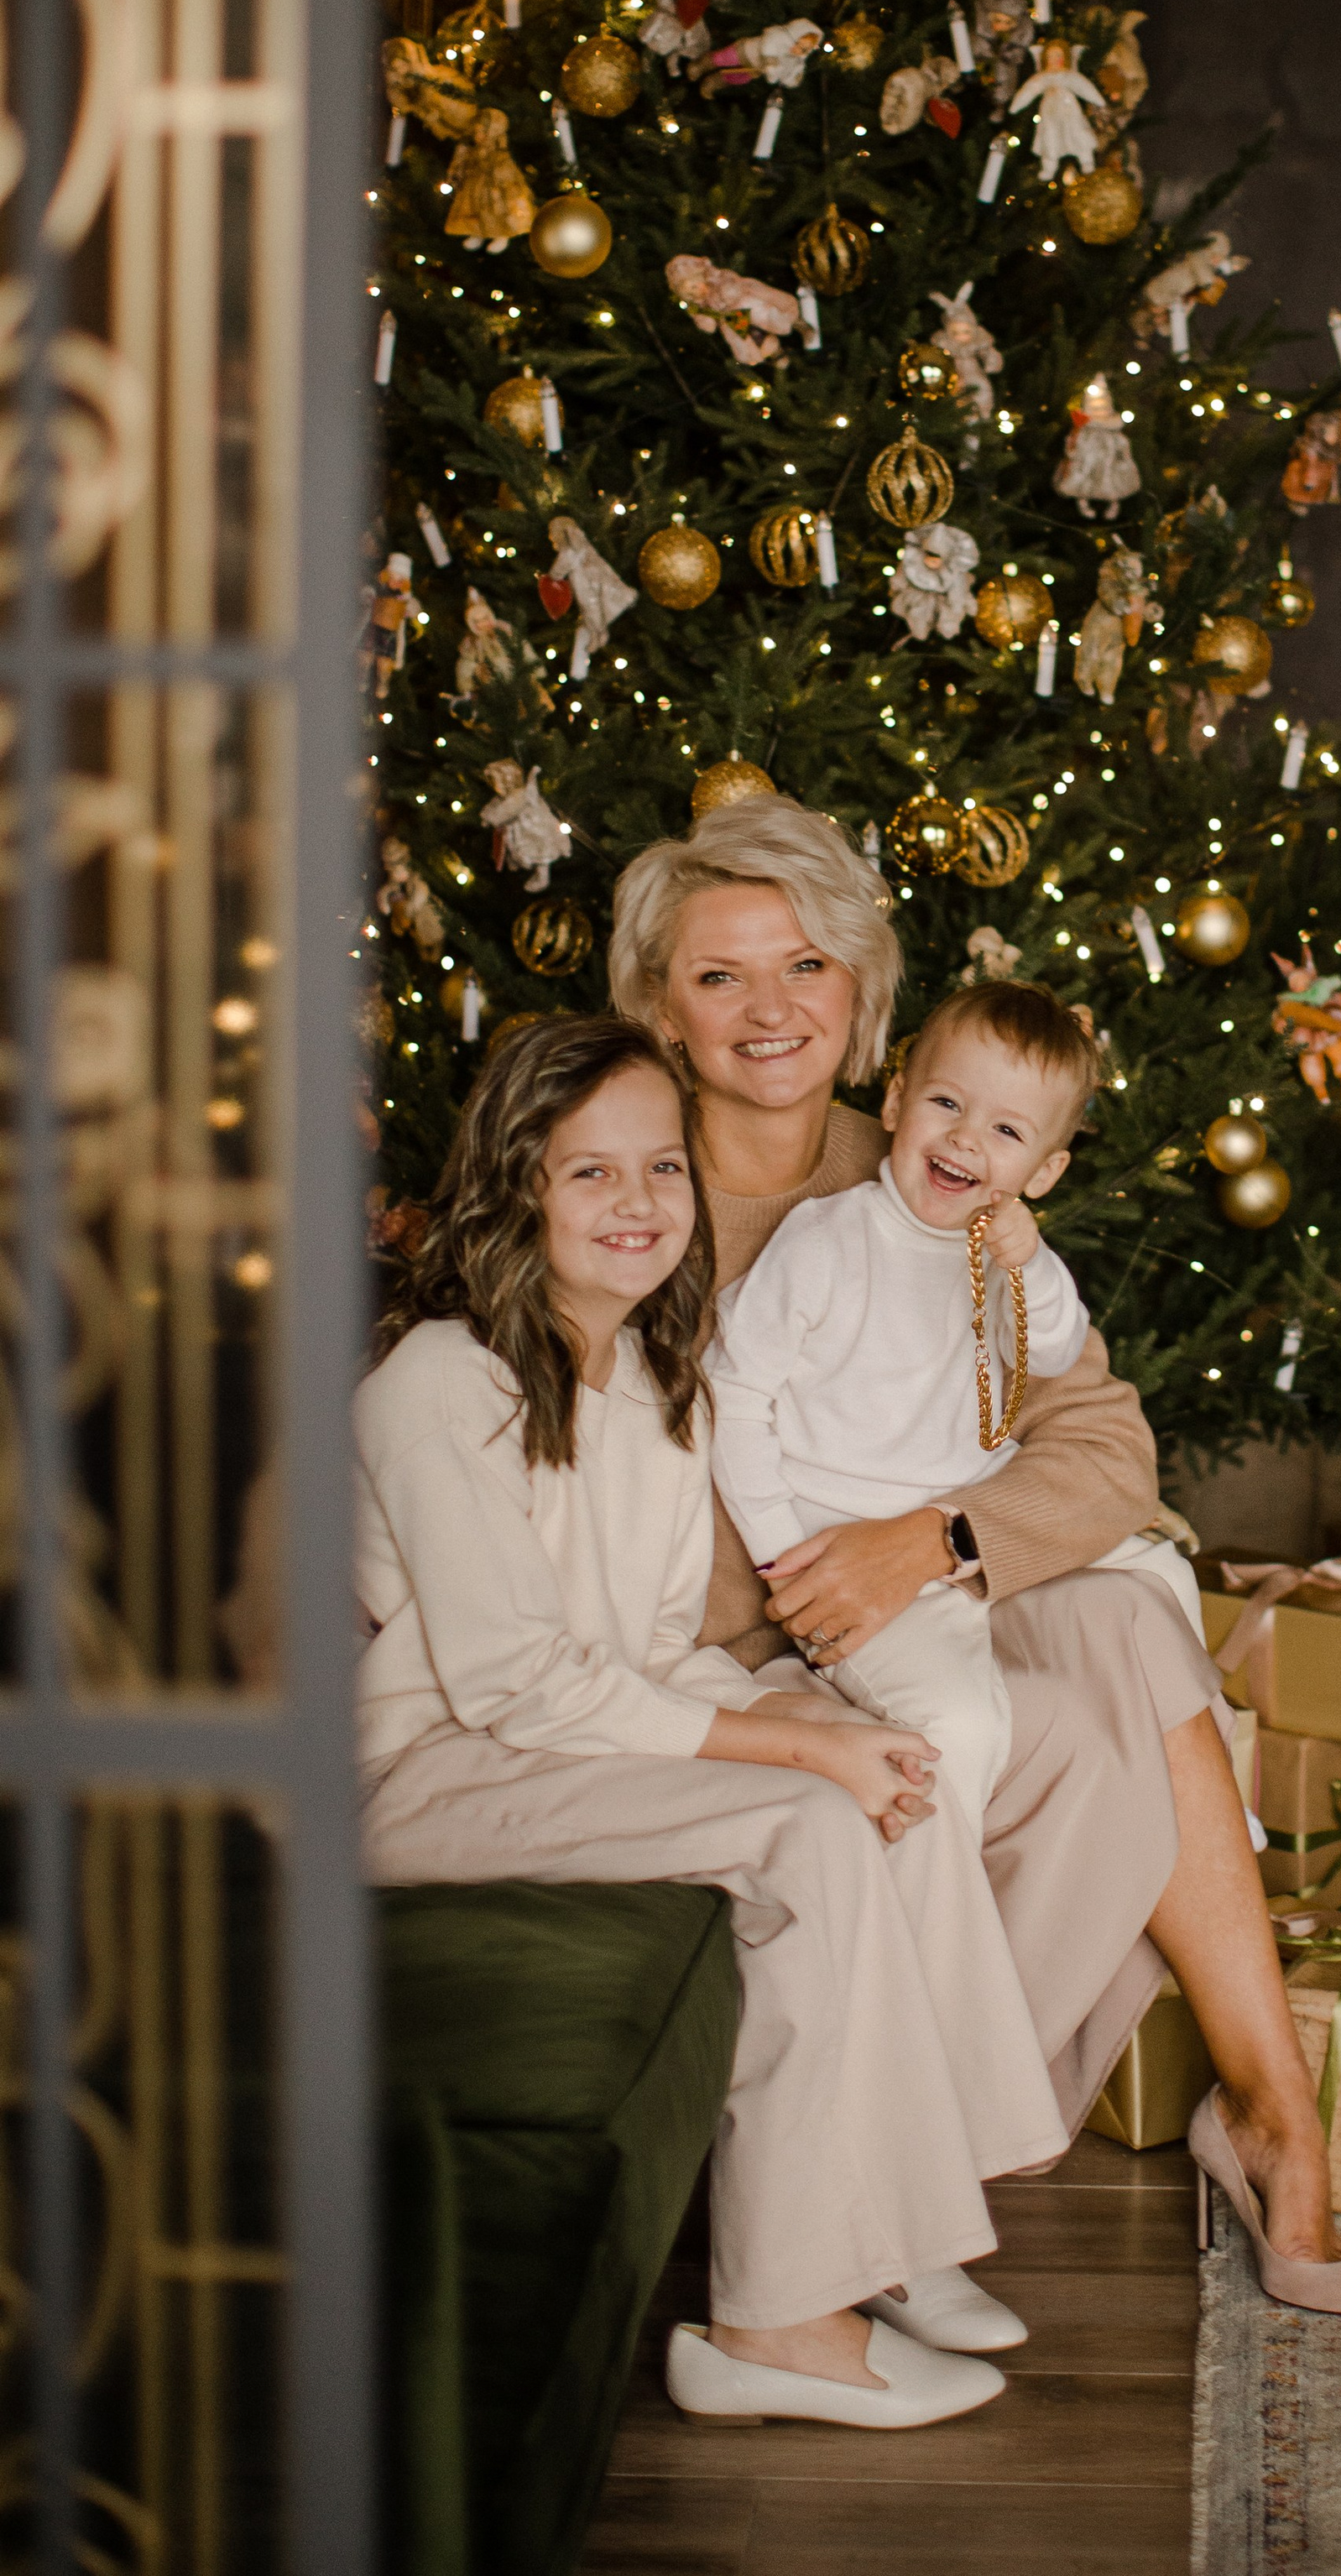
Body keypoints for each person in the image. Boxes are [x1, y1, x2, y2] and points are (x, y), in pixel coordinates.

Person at [610, 795, 1341, 2320]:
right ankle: (980, 2168)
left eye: (809, 968)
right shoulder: (623, 1184)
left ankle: (1265, 2108)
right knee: (1097, 1728)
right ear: (658, 1006)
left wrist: (935, 1539)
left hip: (917, 1606)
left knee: (1128, 1635)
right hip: (731, 1641)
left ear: (866, 1003)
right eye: (721, 977)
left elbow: (1105, 1448)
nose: (772, 1010)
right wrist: (809, 1589)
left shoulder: (942, 1166)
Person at [355, 1014, 1073, 2428]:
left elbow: (645, 1650)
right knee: (812, 1814)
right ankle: (776, 2322)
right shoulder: (444, 1384)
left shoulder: (648, 1380)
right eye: (589, 1176)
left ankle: (918, 2229)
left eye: (662, 1171)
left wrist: (812, 1718)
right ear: (517, 1191)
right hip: (424, 1772)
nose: (638, 1208)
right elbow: (517, 1684)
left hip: (555, 1742)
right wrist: (799, 1743)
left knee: (896, 1778)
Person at [707, 978, 1201, 1837]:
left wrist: (1034, 1266)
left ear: (1042, 1172)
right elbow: (735, 1396)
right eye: (946, 1103)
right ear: (897, 1100)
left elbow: (1050, 1353)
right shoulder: (828, 1241)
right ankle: (939, 1908)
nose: (966, 1140)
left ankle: (1218, 1807)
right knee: (962, 1726)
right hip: (845, 1527)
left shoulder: (998, 1248)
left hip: (958, 1504)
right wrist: (781, 1554)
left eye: (1006, 1132)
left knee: (1162, 1572)